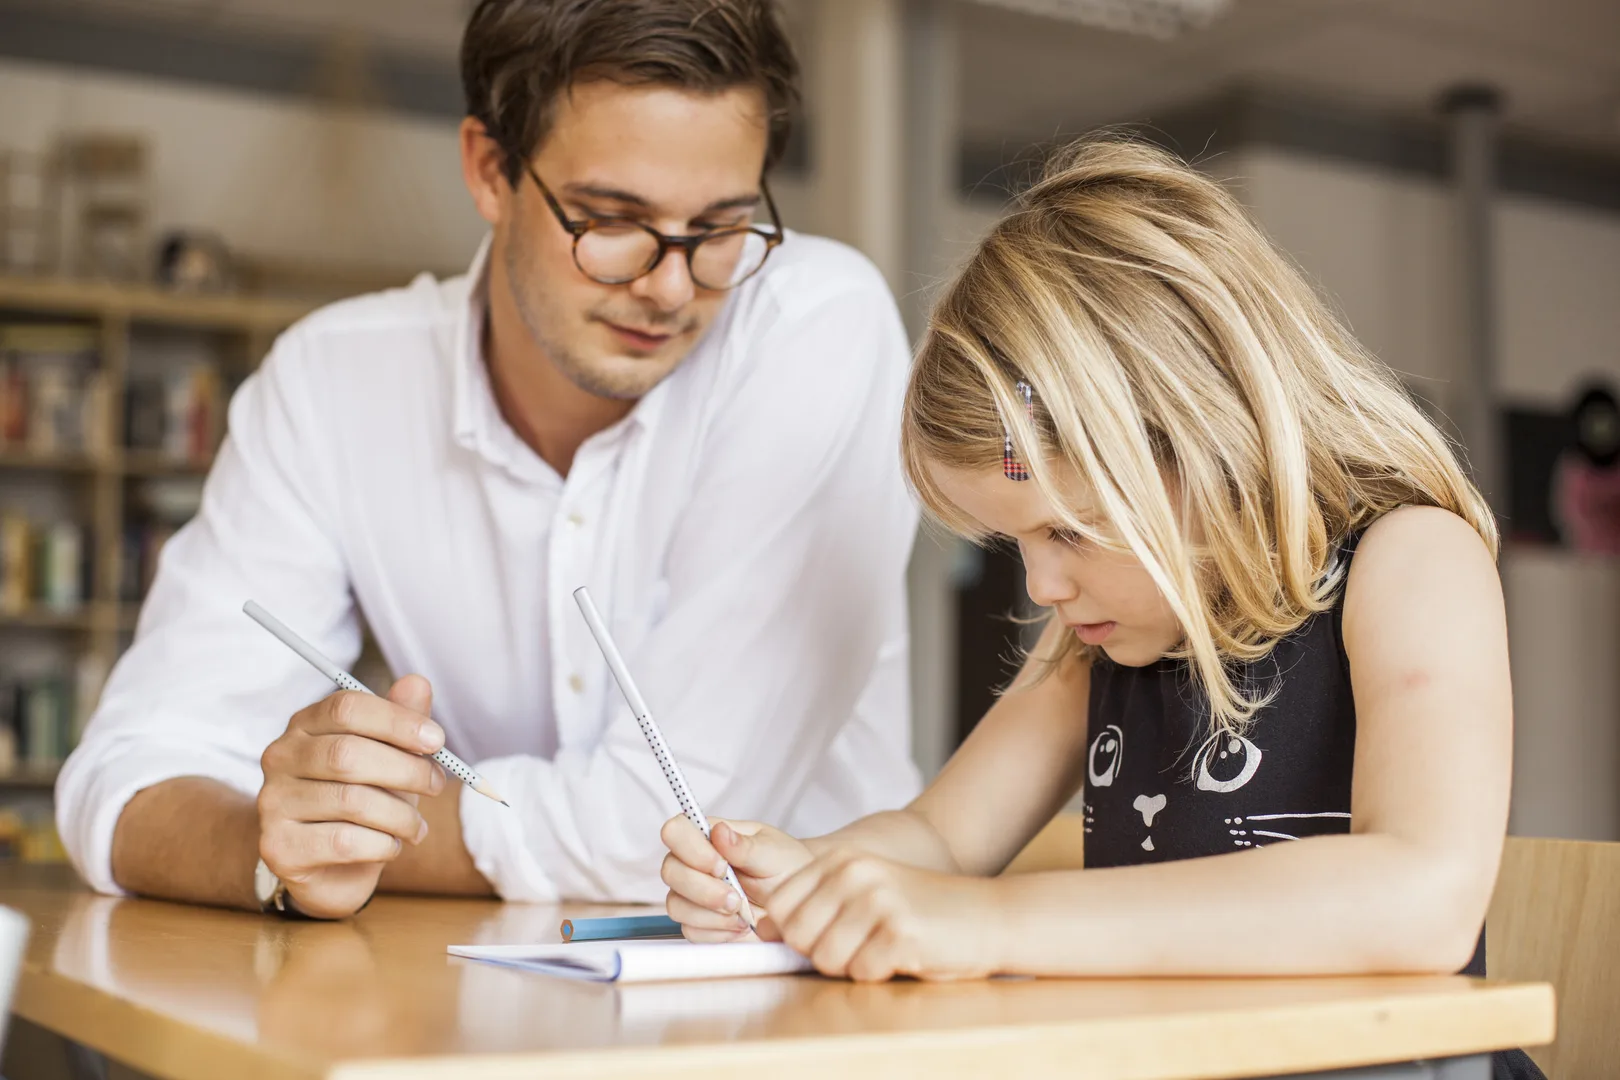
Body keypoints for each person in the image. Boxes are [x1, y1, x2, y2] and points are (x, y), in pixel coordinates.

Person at [660, 136, 1544, 1079]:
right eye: (1019, 546)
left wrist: (994, 921)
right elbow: (941, 838)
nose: (1042, 586)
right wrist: (803, 879)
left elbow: (1424, 898)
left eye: (1070, 532)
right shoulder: (1099, 640)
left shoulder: (1411, 562)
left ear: (1207, 443)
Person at [56, 0, 922, 921]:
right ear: (489, 168)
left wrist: (377, 838)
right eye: (609, 218)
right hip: (491, 991)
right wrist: (281, 848)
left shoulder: (812, 323)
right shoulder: (331, 382)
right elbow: (125, 778)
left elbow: (673, 830)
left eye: (718, 228)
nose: (671, 288)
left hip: (805, 1009)